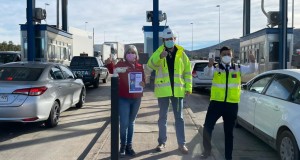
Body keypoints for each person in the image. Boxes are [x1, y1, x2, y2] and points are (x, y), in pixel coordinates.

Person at [200, 46, 258, 160]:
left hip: (231, 105)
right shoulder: (216, 68)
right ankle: (207, 151)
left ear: (232, 56)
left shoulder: (238, 68)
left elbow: (252, 69)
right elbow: (207, 73)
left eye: (229, 54)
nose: (227, 56)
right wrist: (209, 65)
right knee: (207, 127)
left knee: (229, 133)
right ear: (220, 56)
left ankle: (228, 157)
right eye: (224, 54)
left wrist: (252, 61)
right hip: (216, 104)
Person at [147, 27, 192, 154]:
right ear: (163, 40)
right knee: (162, 118)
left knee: (180, 118)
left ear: (175, 39)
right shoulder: (159, 51)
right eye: (166, 39)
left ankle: (182, 144)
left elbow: (188, 72)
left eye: (171, 39)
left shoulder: (181, 53)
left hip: (177, 92)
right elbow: (150, 65)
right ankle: (162, 142)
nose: (169, 41)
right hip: (163, 92)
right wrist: (160, 57)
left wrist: (188, 87)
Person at [115, 45, 145, 157]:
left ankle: (129, 146)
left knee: (131, 122)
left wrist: (143, 83)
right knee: (124, 123)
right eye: (129, 52)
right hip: (124, 98)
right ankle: (122, 145)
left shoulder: (139, 66)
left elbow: (143, 81)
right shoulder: (121, 65)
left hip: (136, 99)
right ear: (125, 54)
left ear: (136, 55)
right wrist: (110, 65)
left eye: (133, 52)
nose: (131, 54)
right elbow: (113, 72)